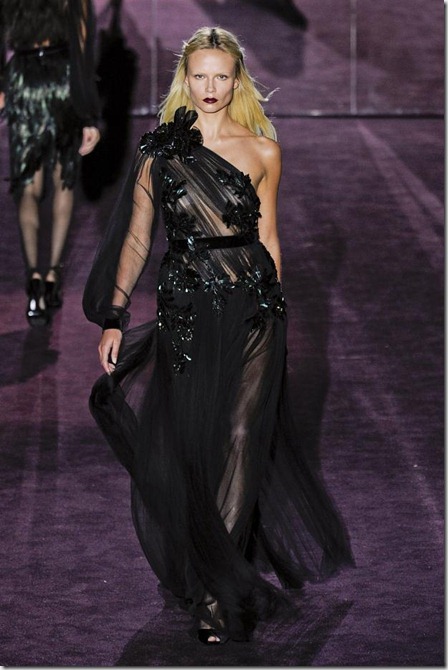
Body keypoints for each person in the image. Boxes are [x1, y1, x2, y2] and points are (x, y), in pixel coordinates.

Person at [83, 26, 354, 645]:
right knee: (194, 442)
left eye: (221, 76)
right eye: (199, 75)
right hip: (186, 307)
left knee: (240, 435)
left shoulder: (264, 150)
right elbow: (136, 239)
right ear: (185, 79)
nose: (210, 87)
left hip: (254, 307)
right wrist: (114, 315)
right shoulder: (158, 152)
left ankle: (216, 592)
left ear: (237, 81)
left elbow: (270, 238)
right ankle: (205, 562)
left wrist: (278, 312)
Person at [0, 0, 101, 326]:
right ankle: (52, 276)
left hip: (23, 81)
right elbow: (82, 45)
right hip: (62, 80)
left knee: (28, 187)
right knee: (63, 183)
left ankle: (33, 279)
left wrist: (2, 85)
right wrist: (88, 114)